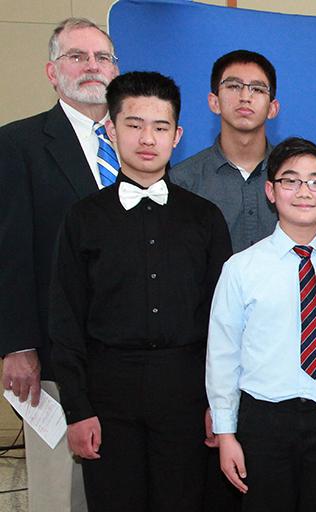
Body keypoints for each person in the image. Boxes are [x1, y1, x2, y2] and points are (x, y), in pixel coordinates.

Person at [50, 71, 232, 511]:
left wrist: (219, 405)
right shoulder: (83, 218)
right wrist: (77, 409)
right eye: (133, 124)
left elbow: (225, 322)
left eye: (160, 126)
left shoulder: (205, 218)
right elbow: (66, 317)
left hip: (186, 392)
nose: (147, 138)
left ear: (178, 135)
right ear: (111, 131)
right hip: (108, 392)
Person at [207, 137, 316, 511]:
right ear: (271, 191)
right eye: (291, 180)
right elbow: (223, 356)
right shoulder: (241, 269)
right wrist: (226, 434)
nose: (305, 191)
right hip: (263, 422)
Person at [0, 17, 119, 512]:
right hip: (53, 354)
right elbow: (10, 250)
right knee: (60, 494)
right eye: (77, 56)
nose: (92, 66)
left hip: (129, 355)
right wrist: (17, 344)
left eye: (103, 57)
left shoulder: (139, 143)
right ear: (52, 71)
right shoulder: (18, 145)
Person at [171, 49, 281, 252]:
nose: (245, 96)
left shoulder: (291, 177)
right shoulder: (182, 181)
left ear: (273, 108)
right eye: (233, 86)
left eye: (257, 89)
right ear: (214, 102)